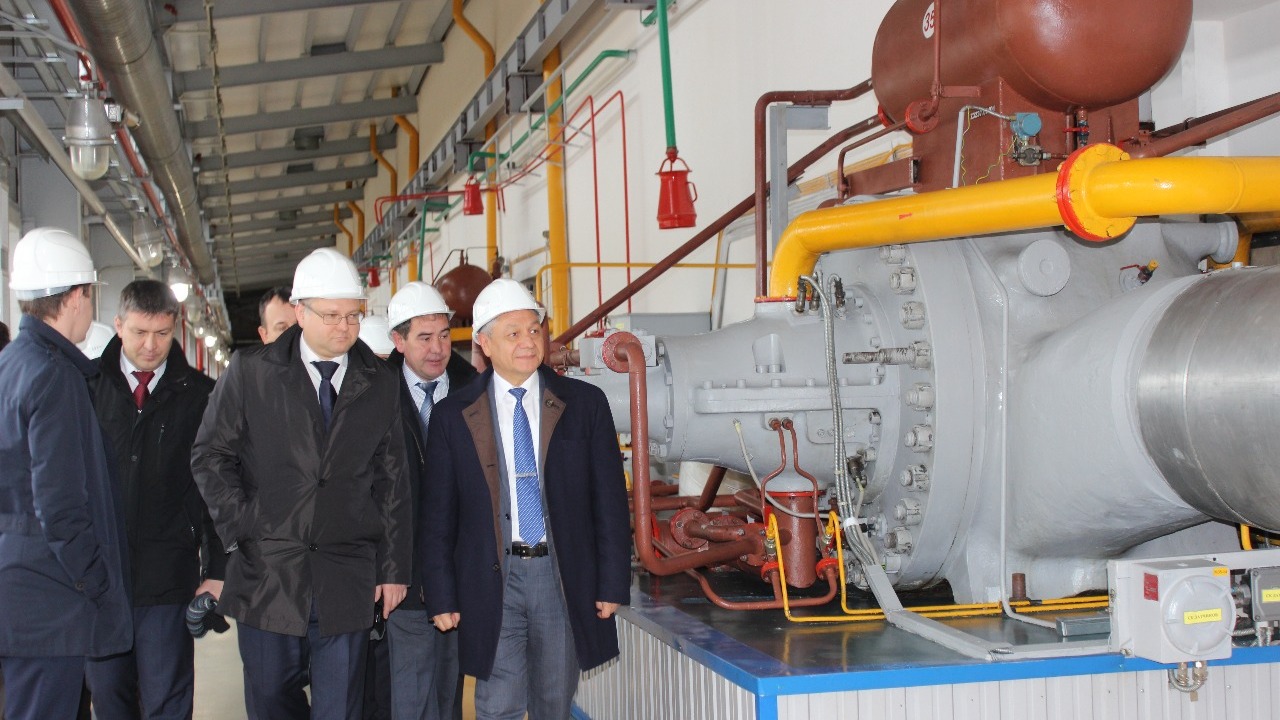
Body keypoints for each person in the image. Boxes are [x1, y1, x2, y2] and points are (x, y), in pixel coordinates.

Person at [192, 248, 412, 720]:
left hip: (347, 573)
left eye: (353, 315)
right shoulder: (252, 372)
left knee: (341, 707)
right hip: (268, 572)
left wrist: (393, 568)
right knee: (271, 697)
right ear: (300, 312)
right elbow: (210, 455)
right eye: (331, 315)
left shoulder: (379, 381)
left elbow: (393, 479)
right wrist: (244, 523)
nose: (345, 327)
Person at [421, 279, 632, 719]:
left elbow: (610, 501)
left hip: (560, 576)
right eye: (513, 333)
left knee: (553, 701)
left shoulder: (584, 404)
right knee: (497, 703)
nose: (527, 342)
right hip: (491, 579)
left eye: (534, 330)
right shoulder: (453, 416)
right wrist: (441, 593)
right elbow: (438, 515)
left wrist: (612, 581)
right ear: (484, 343)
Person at [0, 227, 131, 720]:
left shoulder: (11, 363)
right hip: (50, 599)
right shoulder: (55, 374)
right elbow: (60, 505)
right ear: (76, 296)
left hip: (17, 586)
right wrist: (97, 582)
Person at [86, 279, 224, 720]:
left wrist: (216, 570)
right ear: (118, 325)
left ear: (175, 327)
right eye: (139, 332)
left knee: (168, 701)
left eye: (162, 333)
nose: (151, 345)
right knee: (110, 699)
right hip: (101, 580)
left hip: (168, 576)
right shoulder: (88, 388)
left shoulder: (200, 395)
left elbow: (214, 489)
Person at [381, 282, 476, 720]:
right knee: (412, 696)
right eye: (424, 338)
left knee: (449, 693)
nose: (438, 349)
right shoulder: (375, 396)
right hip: (404, 576)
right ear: (398, 341)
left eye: (443, 335)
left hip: (460, 572)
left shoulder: (474, 391)